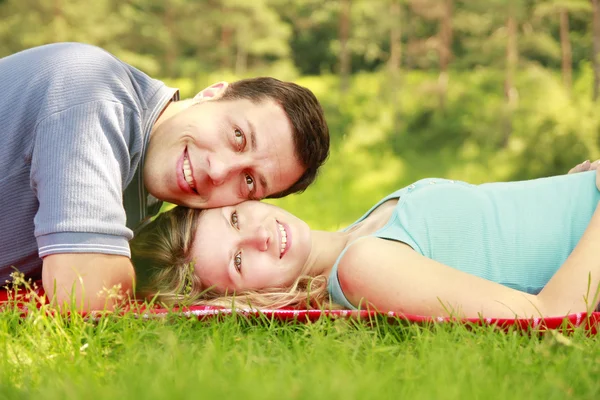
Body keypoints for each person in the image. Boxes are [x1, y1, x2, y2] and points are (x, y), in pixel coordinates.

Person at [0, 42, 329, 310]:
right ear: (212, 93)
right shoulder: (95, 93)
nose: (217, 171)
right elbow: (86, 294)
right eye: (238, 136)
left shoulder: (143, 188)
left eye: (248, 181)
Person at [131, 163, 600, 319]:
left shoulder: (362, 229)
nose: (257, 235)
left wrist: (573, 183)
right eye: (237, 261)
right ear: (249, 297)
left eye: (235, 218)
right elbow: (552, 313)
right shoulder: (362, 267)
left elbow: (501, 229)